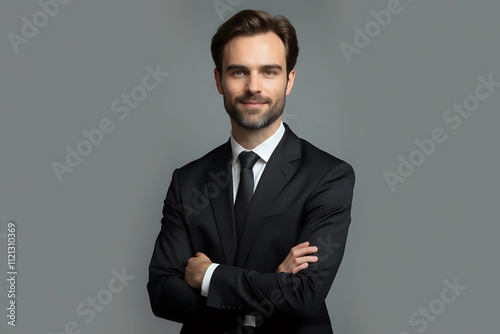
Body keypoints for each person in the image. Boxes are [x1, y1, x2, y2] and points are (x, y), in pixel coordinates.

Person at [147, 9, 355, 334]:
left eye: (269, 72)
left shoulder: (328, 176)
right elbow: (162, 293)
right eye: (238, 72)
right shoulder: (187, 181)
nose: (253, 86)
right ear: (219, 81)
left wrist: (210, 277)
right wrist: (270, 287)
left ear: (290, 80)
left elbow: (304, 295)